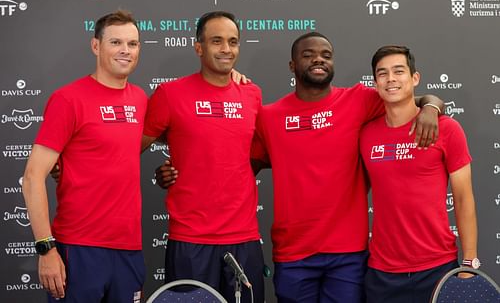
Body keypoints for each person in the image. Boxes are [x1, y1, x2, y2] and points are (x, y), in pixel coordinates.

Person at [158, 32, 444, 302]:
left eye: (326, 55)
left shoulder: (358, 100)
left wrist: (431, 107)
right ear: (293, 65)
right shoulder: (269, 117)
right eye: (308, 55)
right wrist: (179, 171)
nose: (318, 59)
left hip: (348, 253)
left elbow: (406, 99)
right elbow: (235, 164)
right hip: (293, 253)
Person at [22, 10, 147, 302]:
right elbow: (32, 177)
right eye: (115, 42)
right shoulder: (68, 99)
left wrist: (232, 77)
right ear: (96, 46)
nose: (125, 51)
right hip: (78, 248)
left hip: (129, 248)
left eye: (133, 44)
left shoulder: (140, 99)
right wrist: (46, 248)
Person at [141, 11, 265, 303]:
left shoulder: (252, 93)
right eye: (217, 41)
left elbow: (254, 155)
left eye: (233, 42)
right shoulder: (170, 94)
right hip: (190, 240)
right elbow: (127, 147)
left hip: (244, 237)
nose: (226, 49)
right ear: (198, 47)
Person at [359, 45, 478, 302]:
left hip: (437, 267)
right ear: (375, 82)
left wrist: (469, 263)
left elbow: (463, 199)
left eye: (399, 71)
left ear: (415, 78)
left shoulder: (448, 130)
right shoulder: (365, 134)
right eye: (383, 73)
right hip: (382, 272)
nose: (391, 79)